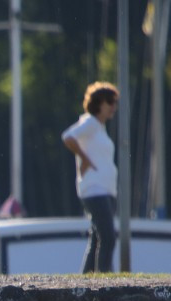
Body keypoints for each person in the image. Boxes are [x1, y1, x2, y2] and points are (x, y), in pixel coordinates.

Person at [62, 81, 120, 273]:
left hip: (104, 189)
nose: (113, 107)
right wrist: (84, 158)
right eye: (110, 102)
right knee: (108, 237)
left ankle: (86, 278)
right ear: (99, 103)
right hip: (94, 189)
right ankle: (104, 278)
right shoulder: (90, 122)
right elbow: (68, 136)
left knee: (96, 238)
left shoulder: (99, 127)